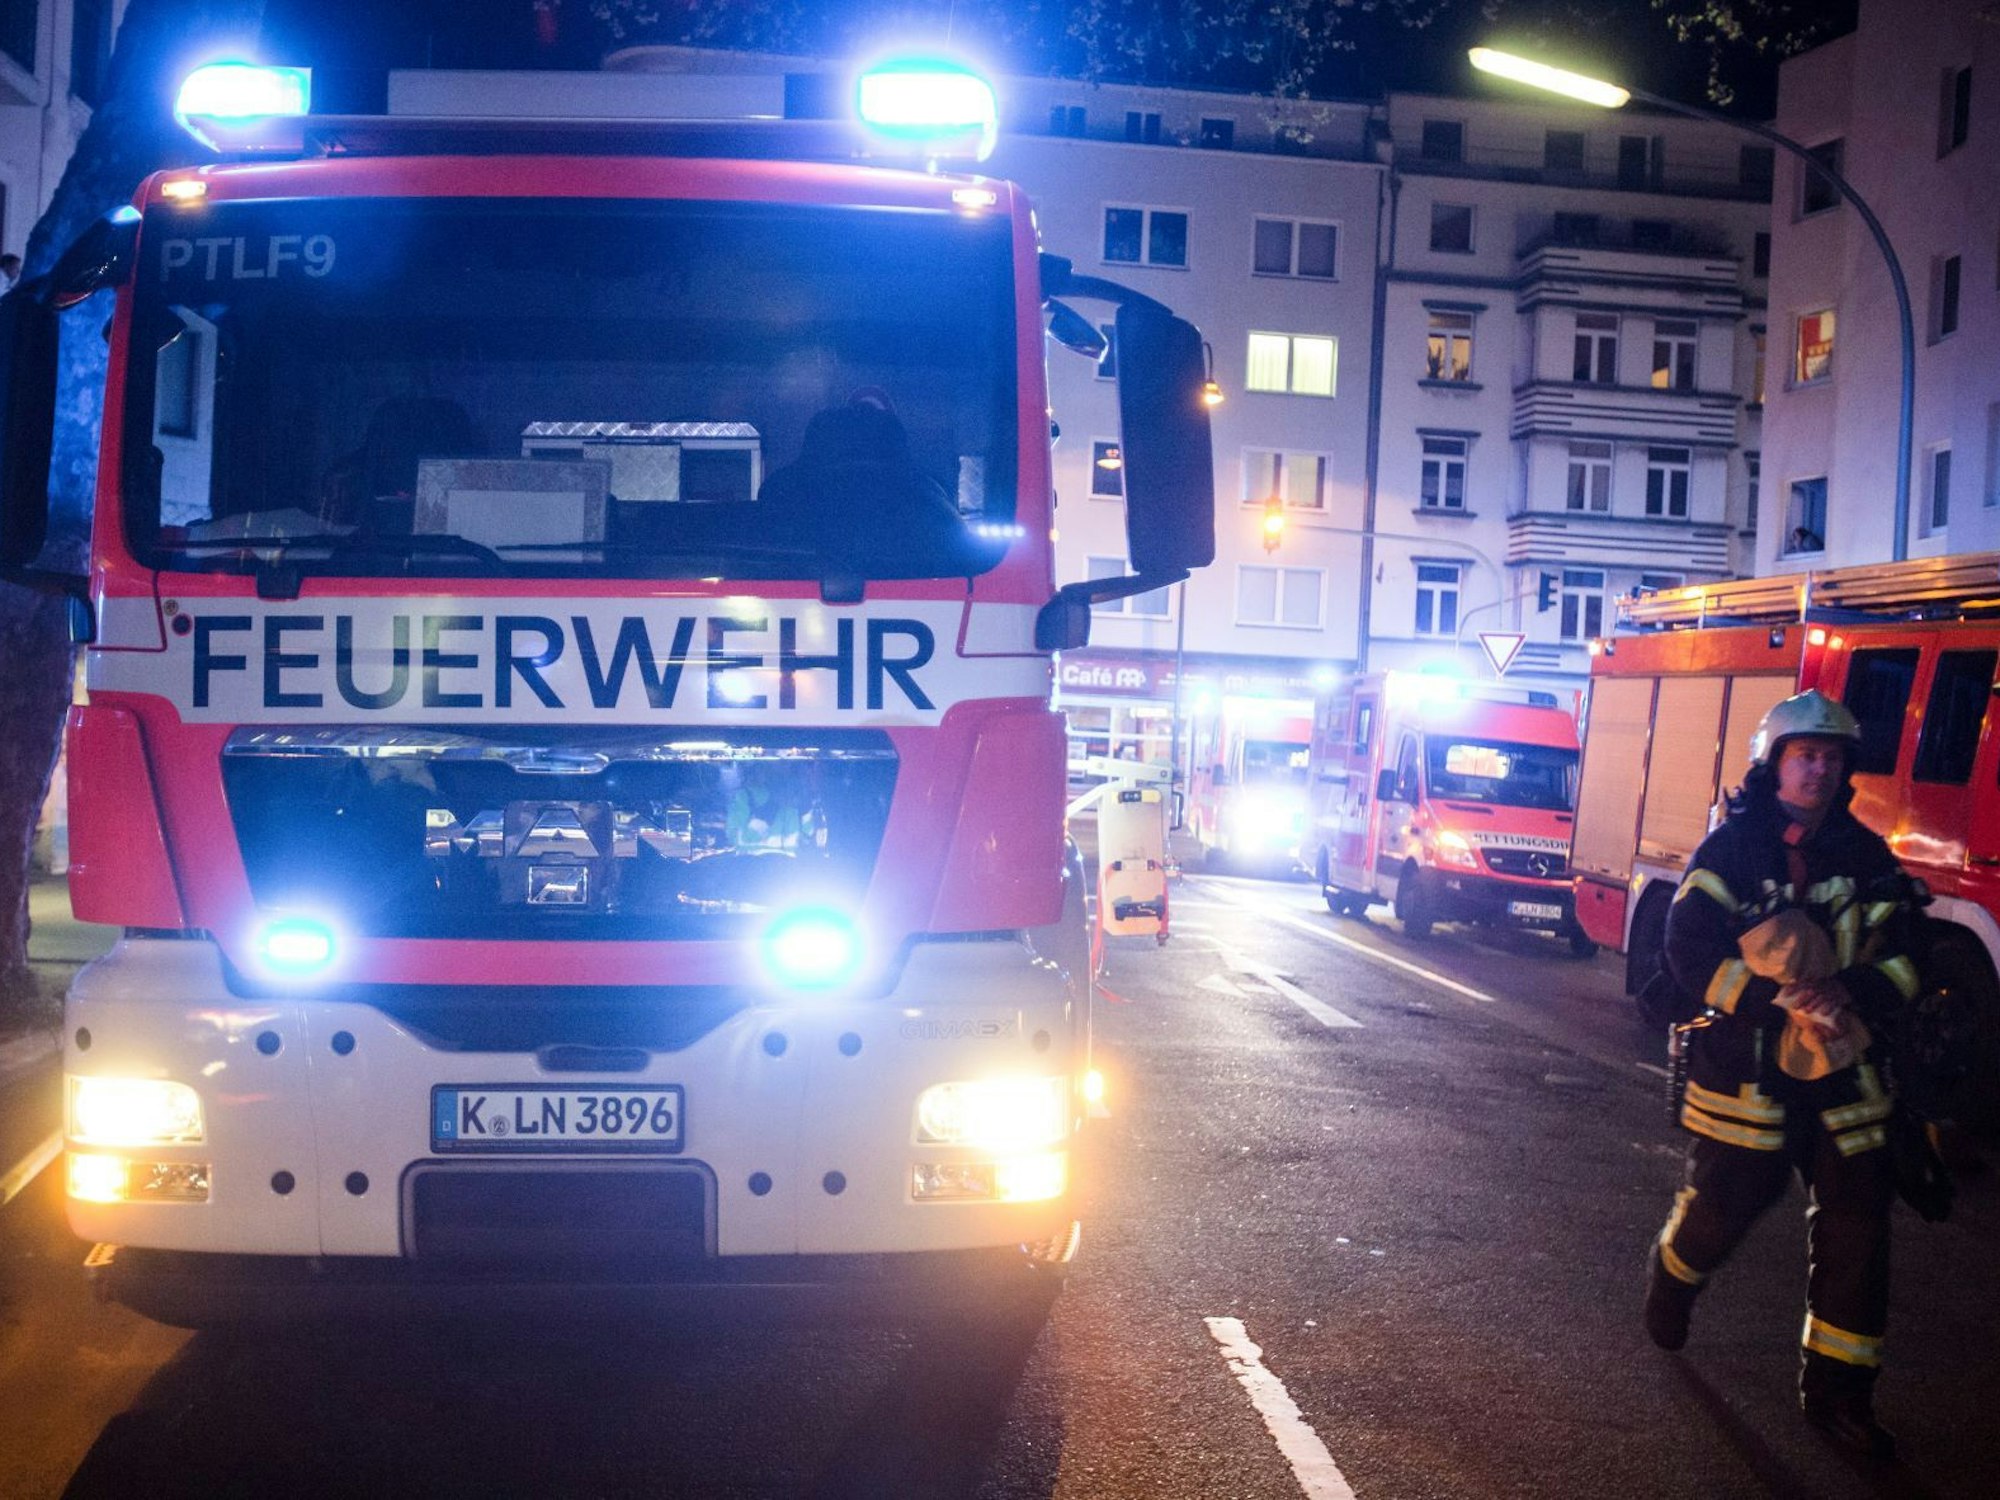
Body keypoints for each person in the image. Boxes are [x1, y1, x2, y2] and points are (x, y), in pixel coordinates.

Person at [1643, 689, 1923, 1459]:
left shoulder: (1868, 859)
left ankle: (1840, 1397)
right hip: (1751, 1072)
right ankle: (1674, 1277)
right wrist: (1775, 1002)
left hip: (1844, 1068)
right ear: (1773, 764)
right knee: (1730, 1203)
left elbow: (1909, 958)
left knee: (1858, 1227)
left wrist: (1853, 991)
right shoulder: (1730, 854)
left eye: (1831, 759)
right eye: (1805, 756)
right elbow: (1689, 953)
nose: (1818, 771)